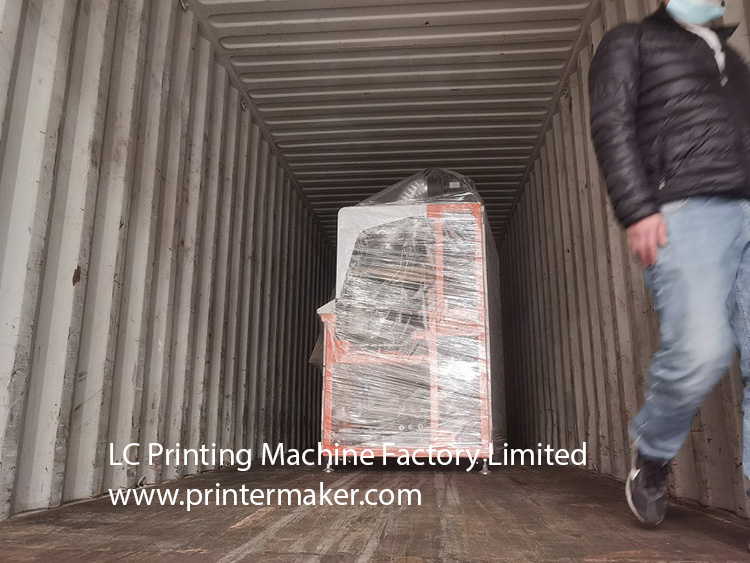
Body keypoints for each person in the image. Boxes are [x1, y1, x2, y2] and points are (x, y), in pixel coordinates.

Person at [588, 0, 750, 529]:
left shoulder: (733, 59)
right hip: (686, 206)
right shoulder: (630, 40)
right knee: (702, 350)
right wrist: (636, 209)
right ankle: (654, 453)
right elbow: (610, 122)